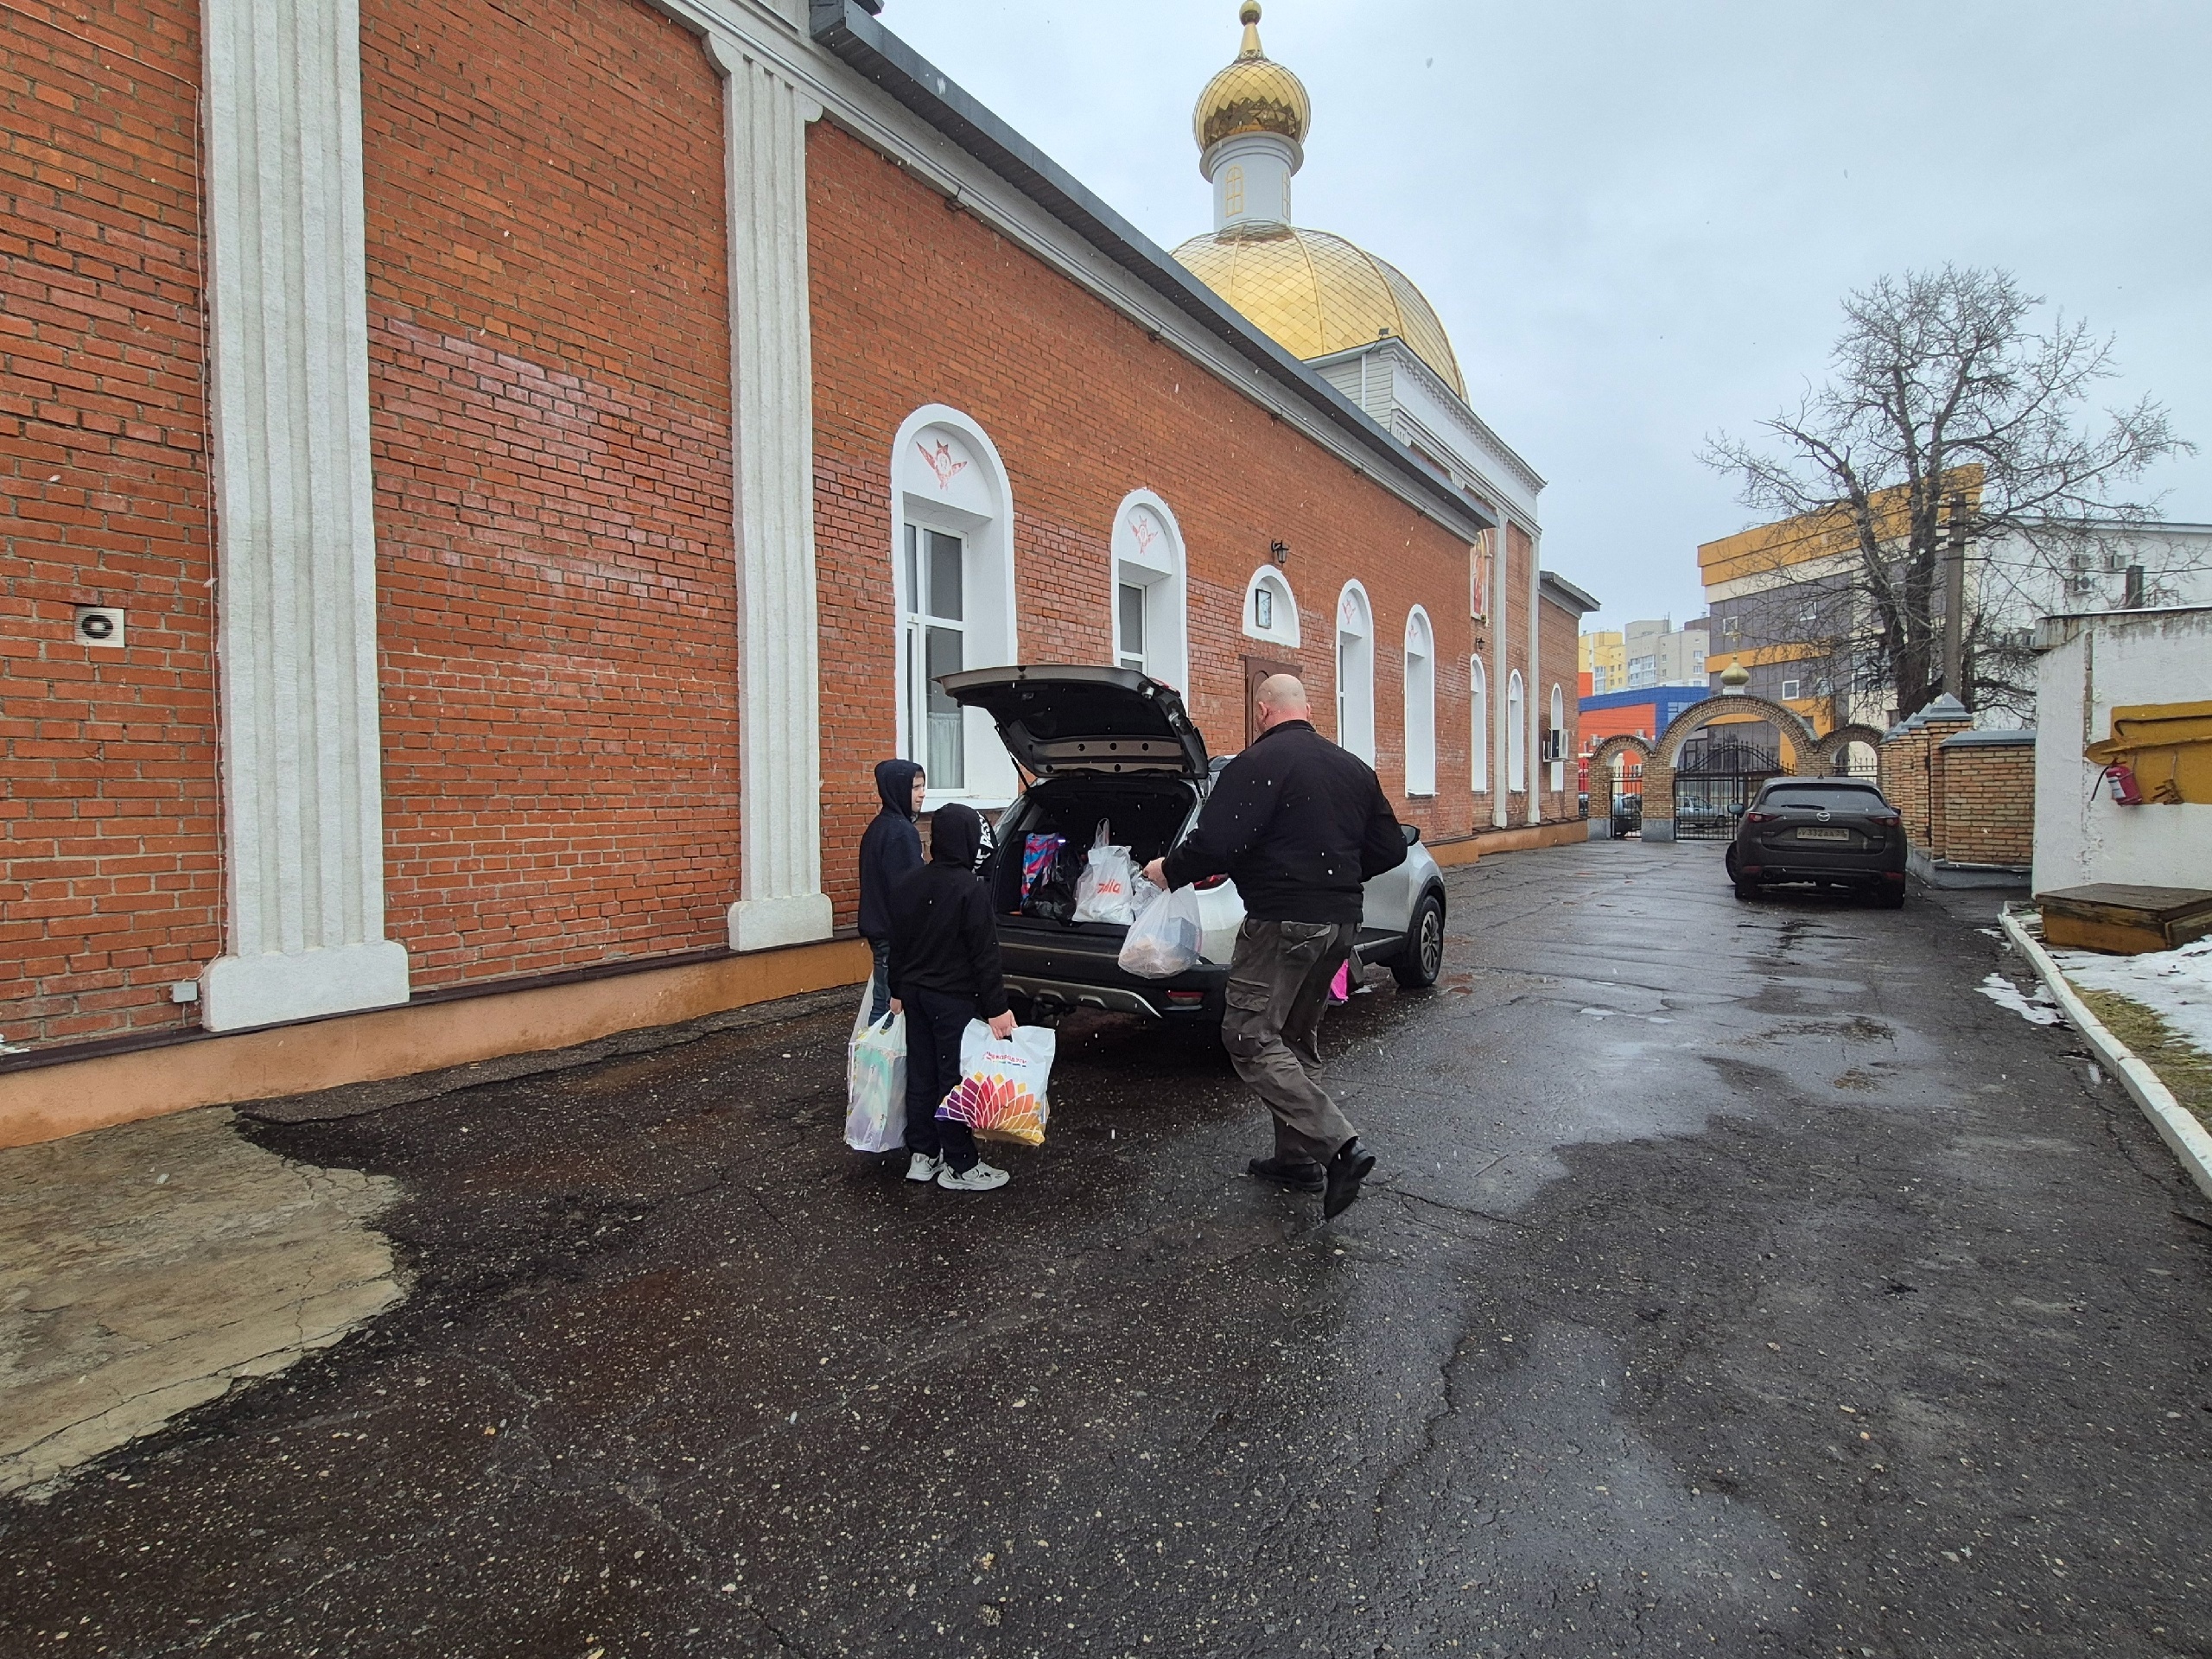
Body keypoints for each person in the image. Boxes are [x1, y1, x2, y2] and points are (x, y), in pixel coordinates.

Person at [1143, 673, 1405, 1218]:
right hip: (1340, 925)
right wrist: (1337, 878)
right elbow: (1390, 847)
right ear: (1305, 708)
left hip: (1282, 924)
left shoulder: (1257, 764)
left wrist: (1170, 871)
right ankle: (1296, 1159)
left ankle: (1340, 1146)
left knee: (1248, 1038)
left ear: (1263, 711)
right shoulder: (1353, 768)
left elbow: (1217, 840)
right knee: (1291, 1039)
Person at [887, 803, 1020, 1193]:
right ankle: (960, 1163)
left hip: (915, 996)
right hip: (953, 1001)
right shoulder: (969, 889)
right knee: (953, 1079)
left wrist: (896, 991)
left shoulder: (909, 883)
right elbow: (984, 955)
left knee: (921, 1075)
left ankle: (922, 1155)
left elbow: (899, 946)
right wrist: (997, 1008)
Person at [858, 760, 926, 1024]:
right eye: (915, 787)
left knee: (883, 1002)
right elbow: (907, 893)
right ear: (897, 788)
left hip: (882, 931)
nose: (922, 793)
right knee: (889, 1009)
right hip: (893, 936)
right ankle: (876, 1065)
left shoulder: (881, 827)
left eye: (923, 786)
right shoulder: (900, 832)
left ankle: (874, 1063)